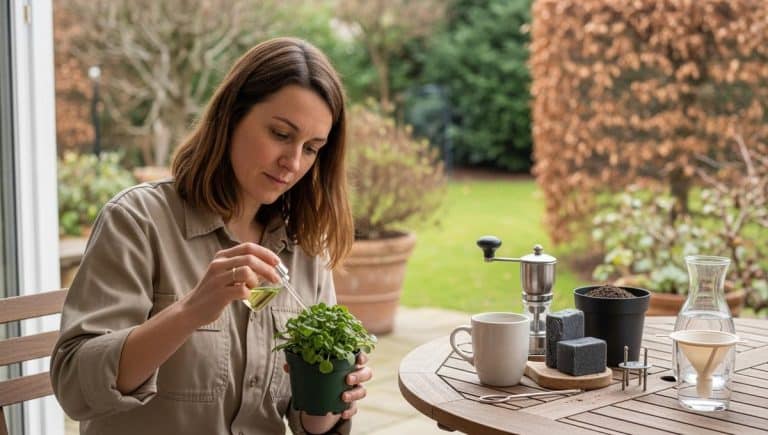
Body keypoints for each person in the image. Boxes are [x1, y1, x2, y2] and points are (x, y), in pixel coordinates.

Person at [51, 37, 372, 435]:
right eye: (280, 134)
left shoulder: (304, 247)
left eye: (311, 148)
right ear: (232, 116)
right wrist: (192, 311)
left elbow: (303, 421)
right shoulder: (138, 221)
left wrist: (332, 395)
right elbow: (74, 387)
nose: (292, 163)